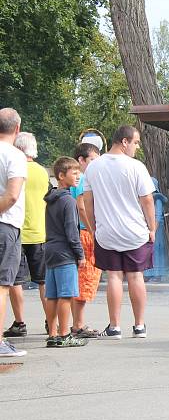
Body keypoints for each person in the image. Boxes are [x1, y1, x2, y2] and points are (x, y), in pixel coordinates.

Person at [83, 125, 156, 339]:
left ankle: (114, 327)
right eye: (135, 142)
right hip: (135, 232)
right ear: (124, 141)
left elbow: (87, 201)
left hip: (107, 233)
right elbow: (147, 199)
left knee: (113, 277)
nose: (137, 147)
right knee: (135, 276)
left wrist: (93, 226)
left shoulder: (93, 167)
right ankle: (139, 325)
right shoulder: (136, 167)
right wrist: (152, 227)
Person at [3, 133, 47, 339]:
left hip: (17, 229)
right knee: (43, 281)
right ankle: (51, 321)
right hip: (40, 231)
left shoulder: (14, 166)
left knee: (15, 281)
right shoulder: (42, 172)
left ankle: (20, 322)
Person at [43, 157, 87, 347]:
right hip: (64, 252)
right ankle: (63, 335)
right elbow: (72, 231)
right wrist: (80, 254)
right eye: (74, 173)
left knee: (52, 295)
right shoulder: (68, 200)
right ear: (61, 176)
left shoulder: (51, 199)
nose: (78, 176)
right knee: (66, 294)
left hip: (50, 249)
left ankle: (52, 334)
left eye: (79, 172)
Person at [0, 108, 27, 358]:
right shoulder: (15, 156)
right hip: (5, 225)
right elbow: (12, 195)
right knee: (2, 286)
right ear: (17, 129)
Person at [68, 142, 102, 338]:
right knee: (85, 279)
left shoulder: (78, 178)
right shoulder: (82, 179)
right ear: (81, 160)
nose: (95, 164)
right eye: (92, 160)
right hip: (85, 233)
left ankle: (75, 323)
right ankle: (78, 325)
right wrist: (93, 229)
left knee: (79, 279)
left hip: (77, 232)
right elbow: (81, 207)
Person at [145, 177, 169, 283]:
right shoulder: (148, 197)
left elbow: (158, 216)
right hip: (150, 227)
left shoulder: (157, 198)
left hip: (156, 228)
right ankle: (149, 273)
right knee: (150, 251)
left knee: (157, 250)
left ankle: (158, 274)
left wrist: (153, 230)